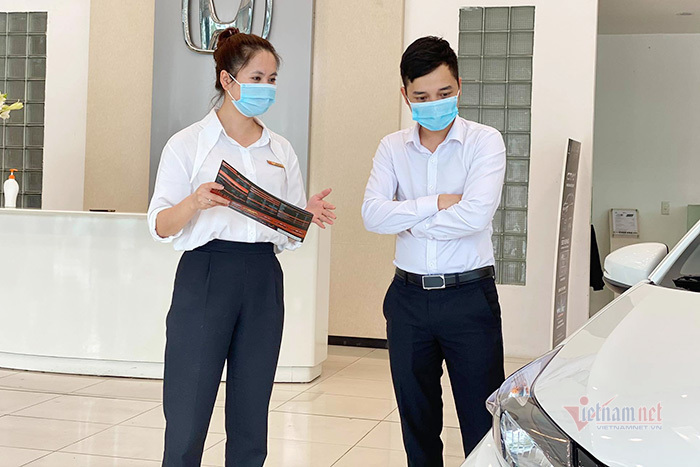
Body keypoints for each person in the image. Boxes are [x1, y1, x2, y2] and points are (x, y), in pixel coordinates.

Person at [147, 27, 336, 467]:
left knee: (252, 409)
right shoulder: (187, 145)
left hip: (263, 277)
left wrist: (303, 214)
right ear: (227, 80)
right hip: (206, 274)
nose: (266, 88)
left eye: (272, 79)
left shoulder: (280, 149)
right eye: (256, 78)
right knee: (188, 407)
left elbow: (289, 236)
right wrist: (194, 202)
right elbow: (159, 225)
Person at [362, 36, 506, 465]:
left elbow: (474, 216)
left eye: (444, 93)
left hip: (469, 299)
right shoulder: (392, 147)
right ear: (405, 95)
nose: (434, 104)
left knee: (482, 422)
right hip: (407, 299)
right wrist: (436, 202)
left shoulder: (484, 141)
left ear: (459, 86)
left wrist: (406, 219)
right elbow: (372, 215)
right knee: (417, 421)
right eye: (422, 97)